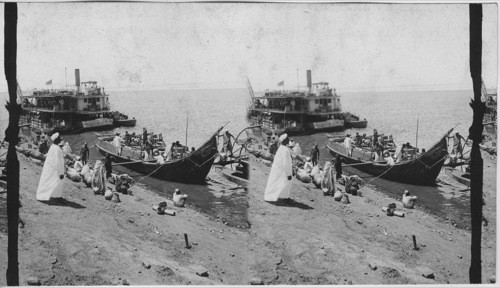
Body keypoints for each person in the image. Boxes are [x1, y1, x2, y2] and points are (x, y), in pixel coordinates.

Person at [264, 133, 293, 202]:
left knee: (279, 183)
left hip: (280, 170)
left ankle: (283, 197)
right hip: (283, 171)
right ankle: (284, 197)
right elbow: (285, 163)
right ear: (285, 140)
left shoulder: (282, 148)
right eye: (287, 138)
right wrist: (288, 173)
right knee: (284, 183)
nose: (289, 139)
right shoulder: (285, 150)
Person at [36, 133, 65, 201]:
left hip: (51, 168)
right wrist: (60, 172)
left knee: (51, 182)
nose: (60, 140)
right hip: (54, 169)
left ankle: (56, 195)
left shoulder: (53, 146)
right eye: (59, 139)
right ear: (56, 140)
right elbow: (57, 161)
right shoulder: (56, 149)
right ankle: (54, 196)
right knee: (55, 182)